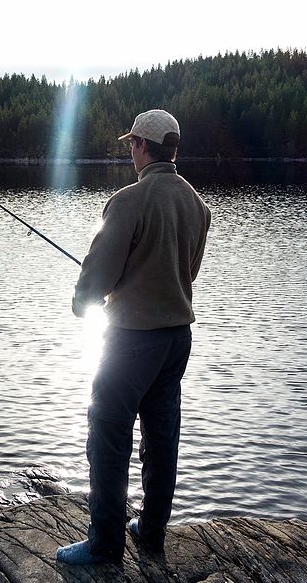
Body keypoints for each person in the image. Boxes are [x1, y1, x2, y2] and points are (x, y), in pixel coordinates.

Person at [56, 109, 211, 565]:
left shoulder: (128, 200)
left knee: (108, 434)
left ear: (143, 146)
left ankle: (105, 545)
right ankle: (152, 531)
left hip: (130, 341)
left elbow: (100, 273)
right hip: (177, 338)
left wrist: (84, 301)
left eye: (132, 144)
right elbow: (189, 272)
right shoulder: (198, 206)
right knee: (161, 439)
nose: (130, 151)